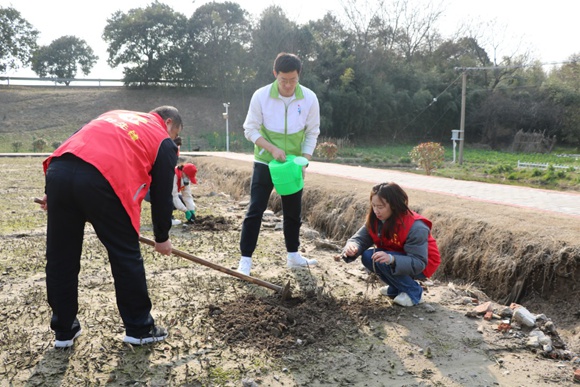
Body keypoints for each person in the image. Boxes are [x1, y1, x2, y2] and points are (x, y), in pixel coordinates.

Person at [38, 106, 183, 348]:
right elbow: (161, 194)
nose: (175, 142)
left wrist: (51, 192)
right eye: (176, 135)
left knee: (60, 258)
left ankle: (64, 330)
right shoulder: (162, 140)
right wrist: (162, 236)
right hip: (103, 181)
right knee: (125, 254)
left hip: (60, 172)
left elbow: (77, 140)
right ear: (168, 123)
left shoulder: (113, 115)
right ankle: (139, 327)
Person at [236, 52, 321, 276]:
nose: (288, 85)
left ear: (299, 76)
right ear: (275, 74)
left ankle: (293, 255)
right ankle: (245, 259)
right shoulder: (261, 96)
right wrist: (272, 148)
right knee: (255, 209)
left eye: (293, 80)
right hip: (265, 161)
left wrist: (305, 161)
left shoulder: (309, 98)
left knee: (293, 211)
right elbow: (250, 129)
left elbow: (313, 132)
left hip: (292, 165)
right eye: (283, 79)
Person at [339, 182, 441, 307]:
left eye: (380, 207)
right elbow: (360, 239)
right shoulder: (376, 219)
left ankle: (414, 292)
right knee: (368, 256)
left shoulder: (416, 227)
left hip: (423, 263)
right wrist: (352, 247)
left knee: (380, 259)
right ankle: (396, 288)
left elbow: (419, 262)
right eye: (373, 206)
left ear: (394, 205)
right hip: (397, 255)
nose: (376, 211)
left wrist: (392, 259)